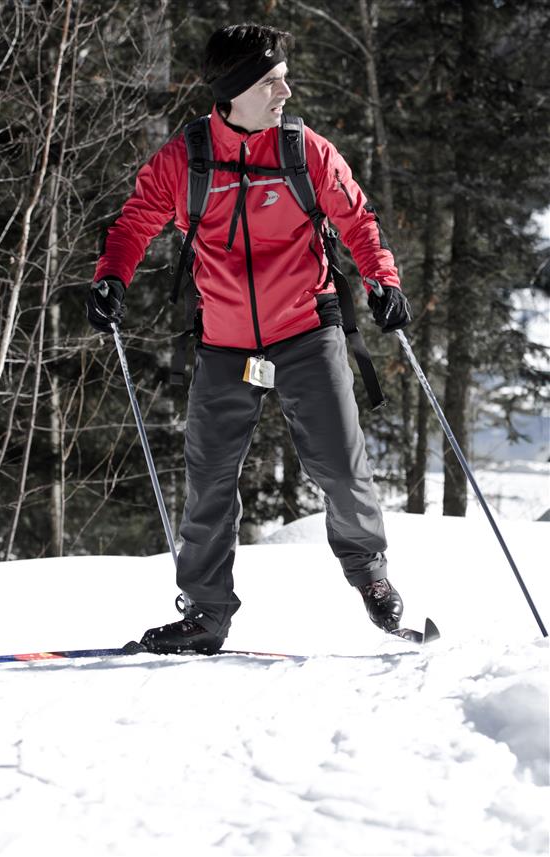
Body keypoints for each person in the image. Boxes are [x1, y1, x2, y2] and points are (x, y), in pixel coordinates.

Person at [86, 23, 412, 655]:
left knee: (340, 467)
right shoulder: (186, 159)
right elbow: (135, 221)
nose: (286, 90)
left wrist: (382, 279)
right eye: (271, 82)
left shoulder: (304, 151)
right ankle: (206, 614)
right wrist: (110, 279)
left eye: (283, 77)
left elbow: (357, 218)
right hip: (225, 341)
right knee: (209, 478)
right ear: (234, 92)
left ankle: (371, 575)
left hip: (305, 331)